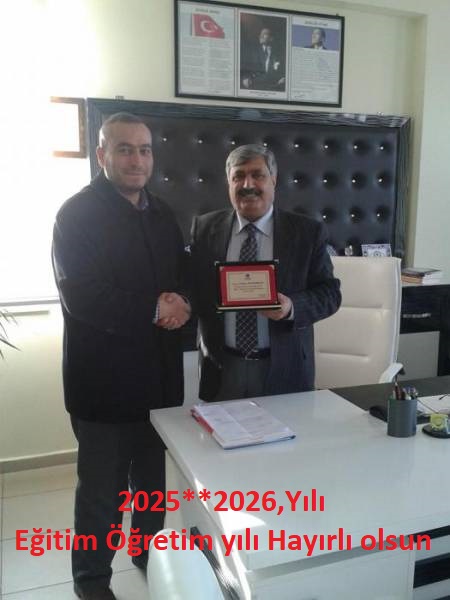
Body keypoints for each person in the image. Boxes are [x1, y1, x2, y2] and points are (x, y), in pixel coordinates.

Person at [52, 112, 190, 600]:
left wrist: (184, 302)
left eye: (145, 149)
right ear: (102, 155)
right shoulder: (75, 215)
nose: (137, 159)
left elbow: (182, 276)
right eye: (125, 149)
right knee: (101, 496)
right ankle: (91, 582)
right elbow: (82, 295)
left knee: (151, 487)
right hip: (103, 385)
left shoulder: (162, 212)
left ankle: (148, 554)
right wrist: (156, 309)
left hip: (158, 382)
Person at [190, 144, 341, 402]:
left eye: (258, 175)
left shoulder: (307, 232)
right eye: (238, 176)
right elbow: (194, 287)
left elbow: (330, 294)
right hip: (222, 369)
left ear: (274, 179)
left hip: (285, 369)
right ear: (228, 183)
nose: (248, 184)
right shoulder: (204, 228)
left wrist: (291, 307)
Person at [241, 27, 285, 91]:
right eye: (260, 34)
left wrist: (283, 78)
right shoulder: (253, 51)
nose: (260, 36)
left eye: (264, 34)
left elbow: (282, 69)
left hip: (274, 86)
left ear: (271, 38)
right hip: (256, 86)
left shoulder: (278, 53)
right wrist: (245, 77)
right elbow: (247, 67)